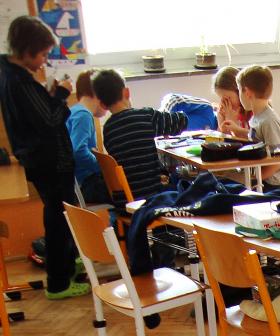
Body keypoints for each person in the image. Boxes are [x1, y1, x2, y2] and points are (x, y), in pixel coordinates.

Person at [0, 16, 89, 300]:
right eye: (42, 54)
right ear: (26, 50)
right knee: (58, 218)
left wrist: (49, 95)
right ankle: (59, 282)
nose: (44, 61)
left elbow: (39, 114)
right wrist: (61, 94)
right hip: (49, 161)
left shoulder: (9, 73)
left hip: (40, 158)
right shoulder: (19, 82)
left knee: (58, 215)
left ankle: (65, 267)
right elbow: (50, 120)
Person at [91, 68, 187, 201]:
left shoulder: (108, 129)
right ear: (126, 92)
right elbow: (180, 122)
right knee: (184, 183)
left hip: (125, 200)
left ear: (103, 104)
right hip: (152, 198)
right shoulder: (145, 116)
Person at [236, 64, 280, 191]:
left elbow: (278, 160)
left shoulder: (268, 121)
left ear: (247, 93)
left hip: (273, 183)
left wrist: (254, 180)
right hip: (262, 179)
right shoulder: (258, 117)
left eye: (239, 90)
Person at [66, 69, 109, 206]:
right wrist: (102, 166)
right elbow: (78, 151)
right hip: (86, 184)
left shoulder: (74, 111)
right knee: (130, 187)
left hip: (79, 183)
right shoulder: (83, 115)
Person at [213, 65, 250, 140]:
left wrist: (234, 125)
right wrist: (223, 121)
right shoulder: (222, 112)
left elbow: (256, 137)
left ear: (239, 92)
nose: (225, 102)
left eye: (228, 98)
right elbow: (224, 140)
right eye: (221, 98)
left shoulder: (251, 109)